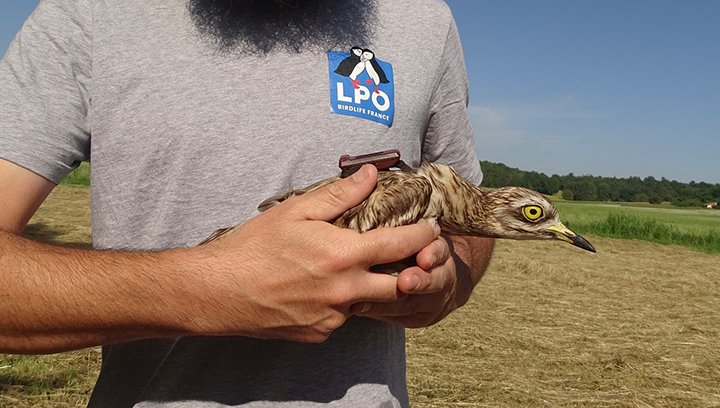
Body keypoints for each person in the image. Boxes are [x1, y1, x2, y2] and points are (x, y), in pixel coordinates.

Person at [0, 0, 495, 407]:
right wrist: (212, 290)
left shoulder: (425, 20)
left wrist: (448, 282)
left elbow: (473, 216)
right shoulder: (88, 14)